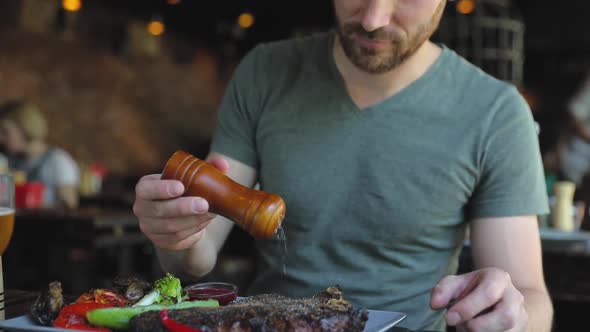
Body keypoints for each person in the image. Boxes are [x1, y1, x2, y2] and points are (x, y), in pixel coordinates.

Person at [134, 1, 553, 330]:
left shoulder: (496, 112)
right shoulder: (265, 72)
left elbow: (531, 296)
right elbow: (197, 257)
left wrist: (514, 317)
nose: (373, 18)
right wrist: (176, 237)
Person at [0, 100, 80, 209]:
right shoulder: (7, 161)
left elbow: (69, 207)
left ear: (24, 129)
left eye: (5, 132)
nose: (1, 138)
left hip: (45, 224)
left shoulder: (58, 161)